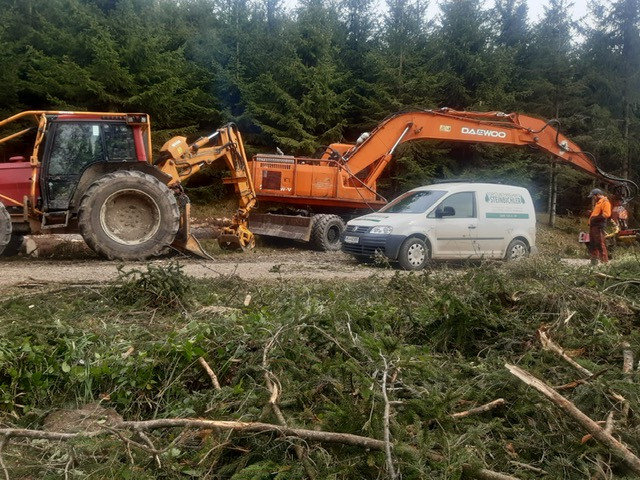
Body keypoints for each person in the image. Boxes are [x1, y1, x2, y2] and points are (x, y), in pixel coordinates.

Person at [587, 188, 612, 264]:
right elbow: (597, 213)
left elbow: (606, 214)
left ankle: (604, 262)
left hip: (599, 226)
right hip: (593, 226)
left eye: (594, 196)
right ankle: (594, 262)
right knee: (593, 244)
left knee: (600, 244)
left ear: (598, 195)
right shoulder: (598, 203)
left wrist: (595, 218)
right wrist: (591, 213)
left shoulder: (605, 202)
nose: (593, 198)